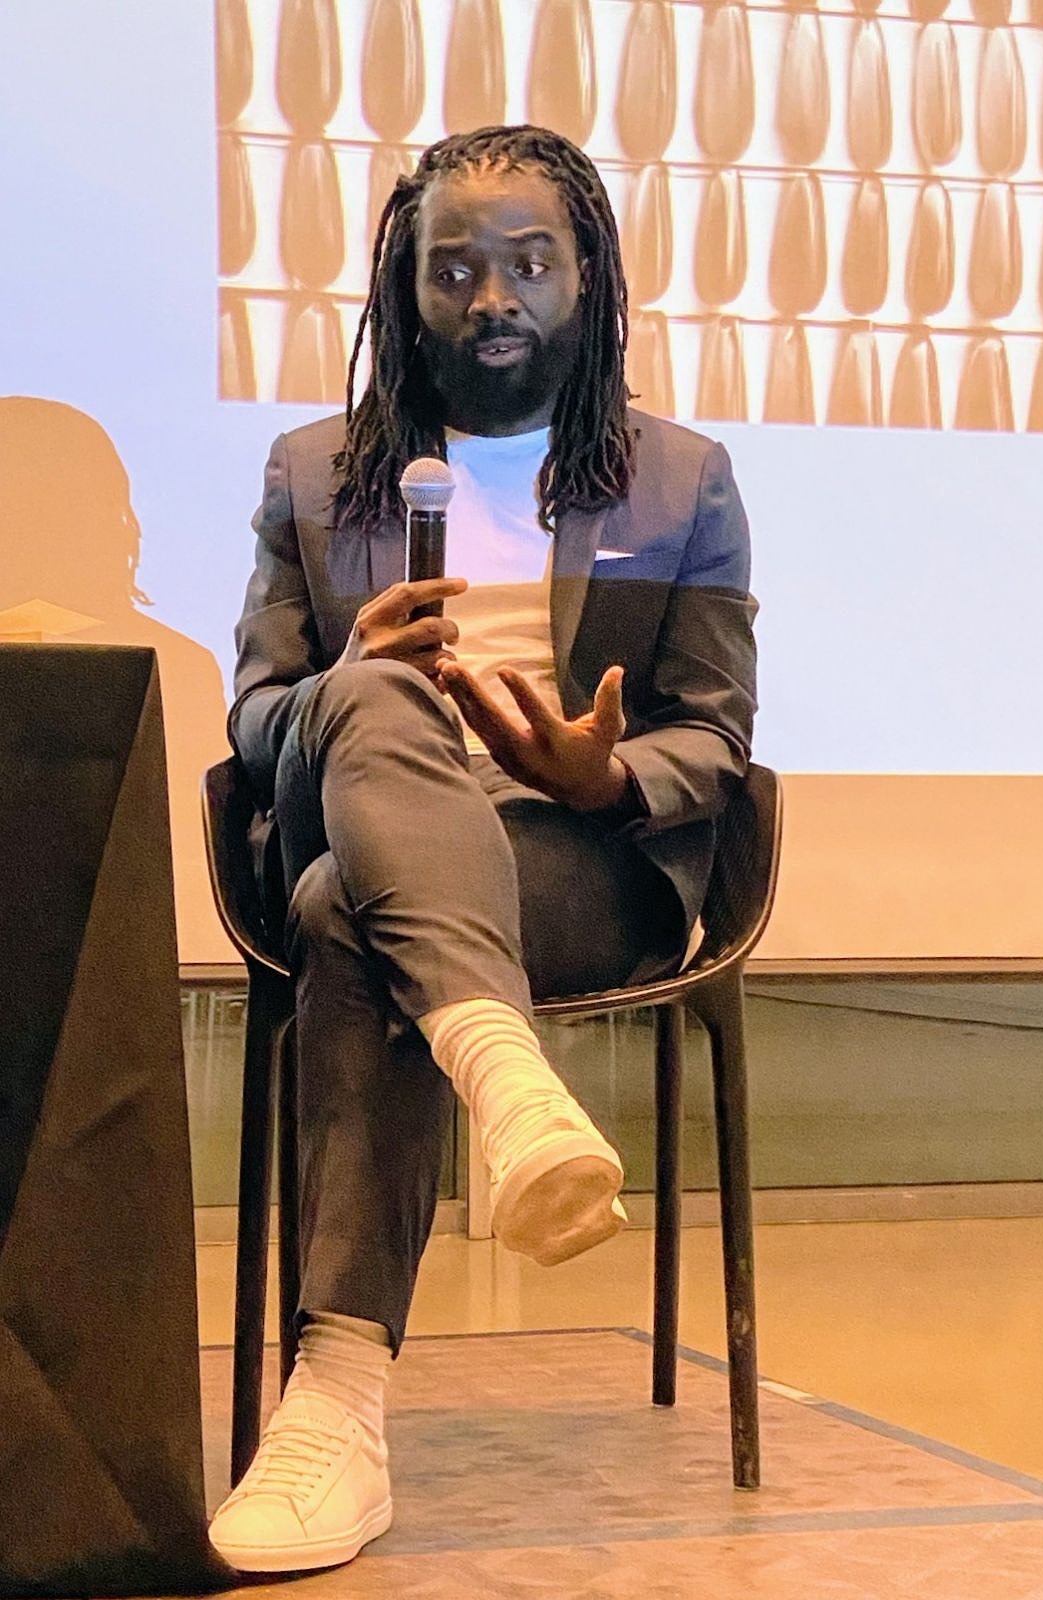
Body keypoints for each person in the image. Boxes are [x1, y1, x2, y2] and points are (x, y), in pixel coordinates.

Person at [209, 124, 757, 1573]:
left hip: (573, 864)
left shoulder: (680, 480)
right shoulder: (318, 470)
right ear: (404, 285)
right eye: (454, 270)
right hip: (381, 826)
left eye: (528, 263)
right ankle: (505, 1085)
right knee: (371, 717)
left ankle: (337, 1401)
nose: (494, 300)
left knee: (348, 911)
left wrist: (602, 770)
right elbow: (258, 721)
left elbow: (718, 739)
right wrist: (337, 693)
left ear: (592, 276)